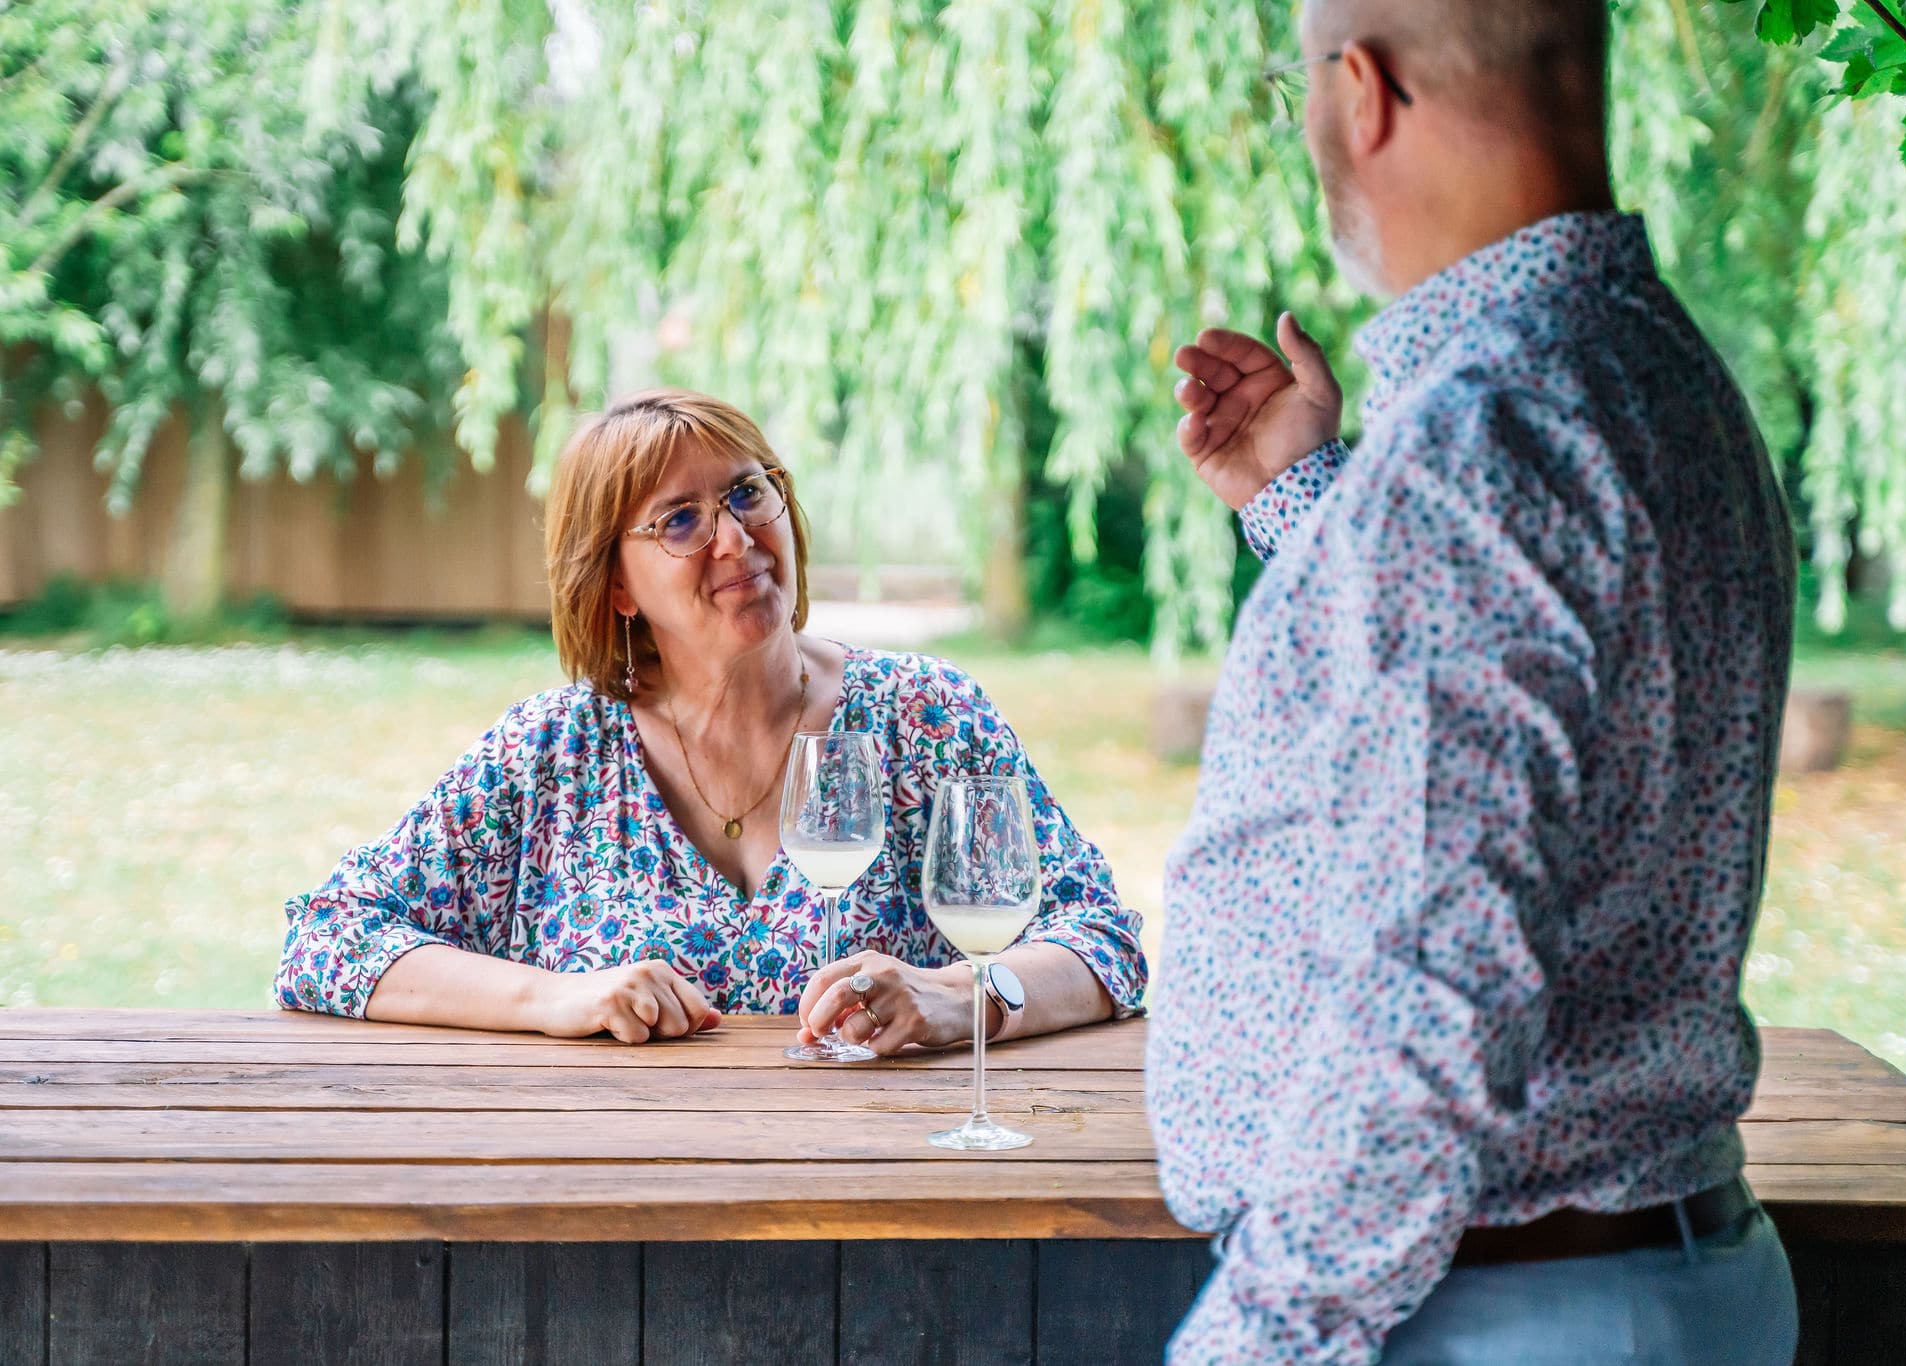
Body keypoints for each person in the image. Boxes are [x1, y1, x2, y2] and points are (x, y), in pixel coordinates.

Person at [1147, 1, 1800, 1361]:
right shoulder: (1647, 373)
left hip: (1491, 1308)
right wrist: (1312, 499)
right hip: (1616, 1282)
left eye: (1300, 90)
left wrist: (1251, 1344)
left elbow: (1424, 999)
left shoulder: (1483, 440)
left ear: (1365, 92)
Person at [274, 389, 1145, 1052]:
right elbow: (329, 940)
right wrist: (555, 998)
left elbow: (1101, 940)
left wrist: (962, 997)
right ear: (615, 586)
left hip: (887, 1208)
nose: (736, 538)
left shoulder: (926, 720)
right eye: (681, 521)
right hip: (619, 1223)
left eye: (746, 493)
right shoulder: (552, 754)